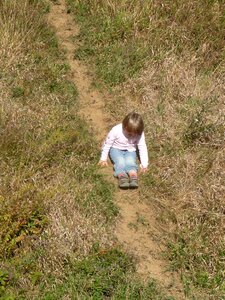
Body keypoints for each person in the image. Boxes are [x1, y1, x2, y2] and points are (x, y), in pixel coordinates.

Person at [98, 112, 148, 189]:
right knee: (120, 161)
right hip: (115, 149)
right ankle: (122, 176)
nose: (131, 135)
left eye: (134, 134)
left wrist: (144, 165)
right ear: (124, 126)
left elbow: (142, 147)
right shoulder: (116, 130)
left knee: (130, 161)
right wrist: (103, 159)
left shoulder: (140, 133)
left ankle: (133, 176)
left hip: (130, 150)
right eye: (129, 133)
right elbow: (107, 144)